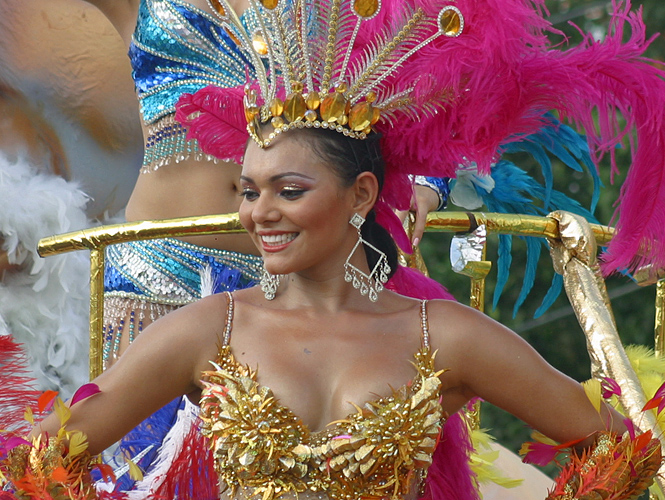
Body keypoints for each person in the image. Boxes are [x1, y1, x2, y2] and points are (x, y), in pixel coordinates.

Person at [2, 0, 665, 498]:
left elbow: (614, 445)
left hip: (347, 285)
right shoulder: (200, 333)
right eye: (252, 189)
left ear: (361, 193)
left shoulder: (445, 337)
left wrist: (427, 179)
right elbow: (43, 460)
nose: (258, 209)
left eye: (284, 190)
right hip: (150, 287)